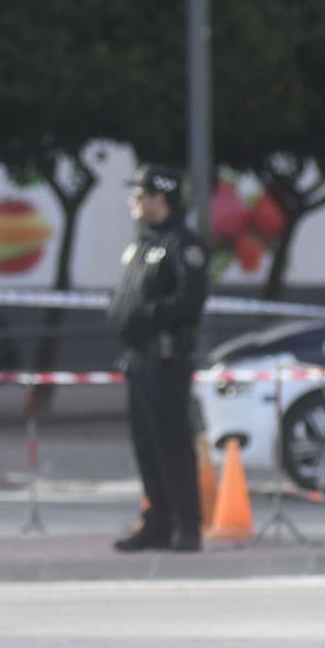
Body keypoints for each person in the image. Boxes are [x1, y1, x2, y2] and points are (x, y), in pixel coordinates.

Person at [108, 163, 208, 553]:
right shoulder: (144, 242)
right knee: (145, 445)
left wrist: (147, 314)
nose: (133, 201)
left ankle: (188, 525)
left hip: (167, 359)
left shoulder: (184, 244)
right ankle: (158, 522)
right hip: (139, 359)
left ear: (160, 198)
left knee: (172, 444)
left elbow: (190, 299)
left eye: (140, 194)